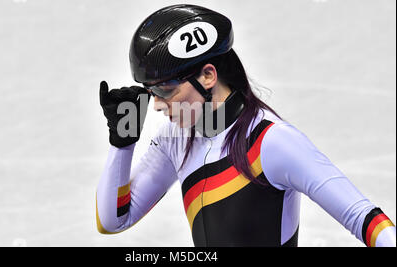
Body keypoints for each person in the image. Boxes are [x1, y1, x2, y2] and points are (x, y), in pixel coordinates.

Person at [96, 4, 395, 247]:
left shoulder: (272, 142)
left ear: (208, 76)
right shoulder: (176, 139)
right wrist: (122, 143)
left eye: (165, 90)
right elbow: (113, 220)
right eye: (150, 92)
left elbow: (363, 218)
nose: (157, 105)